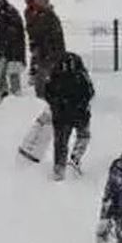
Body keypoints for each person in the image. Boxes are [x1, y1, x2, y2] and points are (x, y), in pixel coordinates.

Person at [44, 52, 94, 180]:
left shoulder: (55, 77)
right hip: (80, 113)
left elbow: (47, 92)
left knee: (60, 142)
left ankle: (59, 168)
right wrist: (82, 105)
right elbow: (90, 92)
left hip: (60, 114)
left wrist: (56, 105)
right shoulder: (81, 76)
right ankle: (75, 158)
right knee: (83, 135)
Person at [25, 0, 66, 100]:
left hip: (49, 54)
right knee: (42, 81)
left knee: (45, 81)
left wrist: (49, 54)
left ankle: (47, 103)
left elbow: (51, 38)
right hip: (42, 53)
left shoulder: (48, 17)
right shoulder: (35, 14)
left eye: (39, 0)